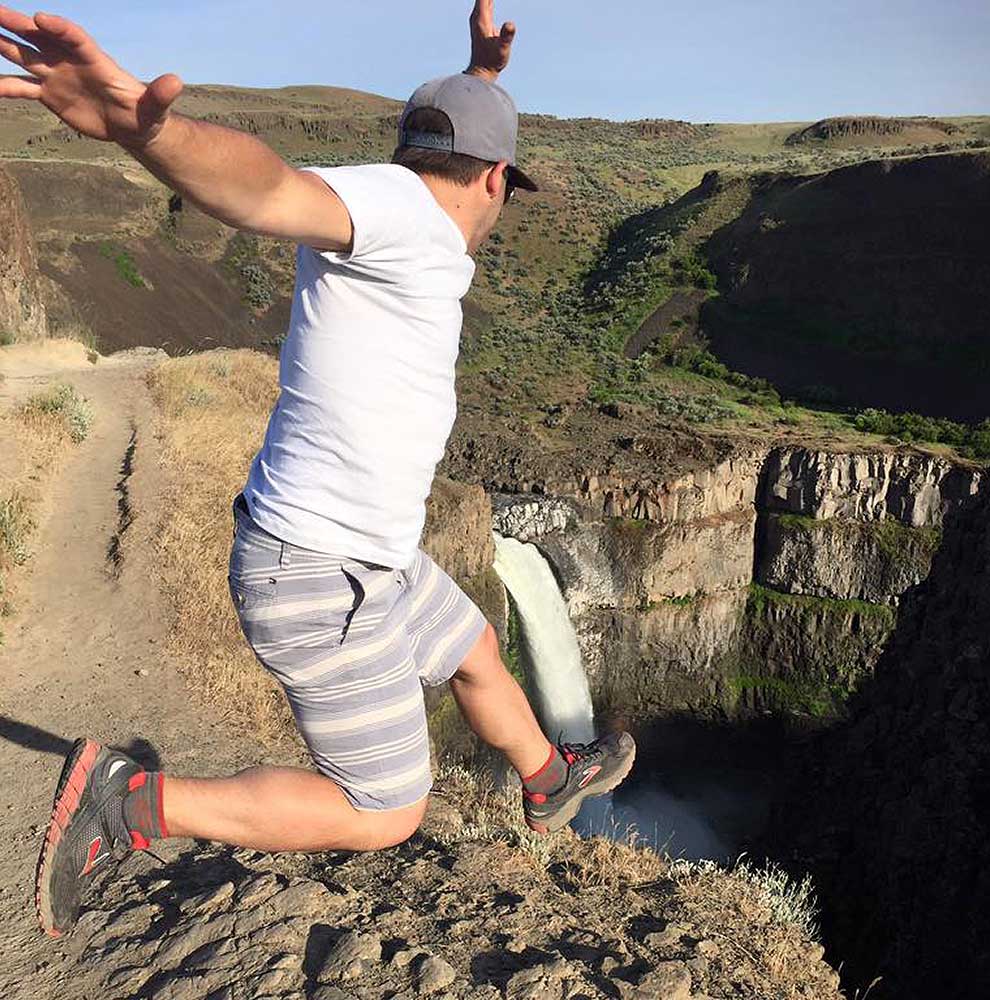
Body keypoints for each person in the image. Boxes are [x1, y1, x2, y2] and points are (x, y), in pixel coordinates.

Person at [0, 1, 636, 938]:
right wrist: (151, 133)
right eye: (504, 183)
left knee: (472, 647)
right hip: (319, 572)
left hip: (366, 554)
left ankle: (548, 777)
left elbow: (436, 144)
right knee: (386, 812)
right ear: (496, 179)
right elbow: (267, 190)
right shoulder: (402, 209)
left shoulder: (410, 209)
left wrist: (479, 80)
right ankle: (132, 802)